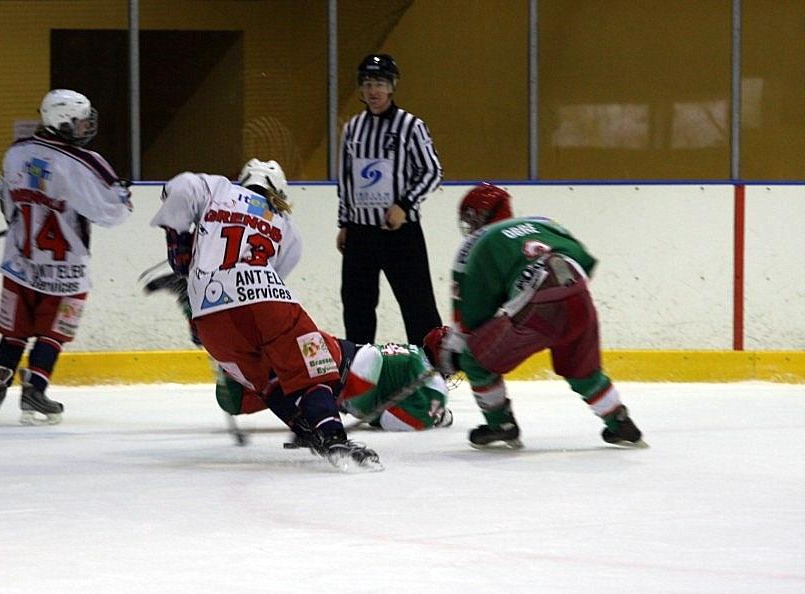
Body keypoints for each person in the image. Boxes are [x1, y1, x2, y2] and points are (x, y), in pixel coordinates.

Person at [150, 159, 382, 471]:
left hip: (210, 318)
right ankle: (331, 436)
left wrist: (178, 242)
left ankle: (305, 429)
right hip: (265, 302)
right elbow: (272, 278)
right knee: (312, 367)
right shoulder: (285, 225)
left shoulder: (217, 189)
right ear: (279, 190)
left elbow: (179, 186)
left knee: (267, 382)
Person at [423, 183, 645, 449]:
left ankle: (500, 424)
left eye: (472, 217)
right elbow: (582, 258)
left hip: (539, 302)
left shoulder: (474, 244)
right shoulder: (542, 223)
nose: (470, 225)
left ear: (483, 216)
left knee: (475, 359)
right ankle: (619, 421)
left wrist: (452, 354)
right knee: (581, 369)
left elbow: (471, 319)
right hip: (577, 293)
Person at [0, 89, 133, 424]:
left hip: (19, 263)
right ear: (62, 121)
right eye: (79, 122)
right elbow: (113, 213)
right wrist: (122, 195)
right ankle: (35, 389)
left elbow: (7, 206)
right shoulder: (84, 163)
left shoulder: (15, 153)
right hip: (66, 272)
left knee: (14, 330)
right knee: (53, 333)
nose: (85, 128)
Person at [337, 53, 443, 347]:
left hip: (400, 235)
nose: (373, 91)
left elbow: (432, 171)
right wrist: (345, 223)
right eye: (368, 84)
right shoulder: (353, 129)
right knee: (356, 307)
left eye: (380, 83)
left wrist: (404, 205)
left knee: (418, 306)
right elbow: (346, 179)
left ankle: (432, 371)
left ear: (392, 86)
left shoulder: (411, 126)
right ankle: (357, 370)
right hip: (360, 234)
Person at [214, 335, 452, 437]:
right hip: (335, 377)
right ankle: (228, 345)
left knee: (236, 400)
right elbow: (394, 421)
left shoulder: (414, 354)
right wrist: (437, 417)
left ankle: (224, 344)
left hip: (337, 350)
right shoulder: (435, 384)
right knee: (252, 388)